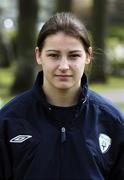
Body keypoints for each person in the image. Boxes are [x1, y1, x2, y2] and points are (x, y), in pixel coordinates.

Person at [0, 12, 124, 180]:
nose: (64, 66)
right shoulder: (8, 120)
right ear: (38, 55)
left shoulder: (112, 121)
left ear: (88, 56)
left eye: (74, 55)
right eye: (54, 55)